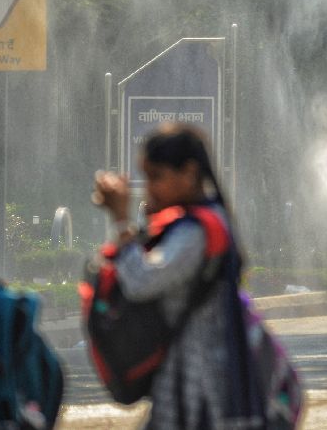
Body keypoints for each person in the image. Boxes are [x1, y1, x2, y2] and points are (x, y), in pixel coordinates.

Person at [92, 123, 261, 429]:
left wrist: (121, 220)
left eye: (156, 177)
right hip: (196, 377)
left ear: (189, 173)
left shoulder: (195, 231)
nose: (149, 188)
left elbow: (142, 281)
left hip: (197, 385)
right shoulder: (199, 220)